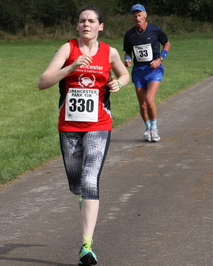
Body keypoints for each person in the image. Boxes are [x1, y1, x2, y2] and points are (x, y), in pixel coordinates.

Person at [38, 5, 129, 265]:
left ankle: (86, 246)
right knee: (76, 184)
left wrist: (117, 83)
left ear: (101, 26)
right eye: (82, 21)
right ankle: (83, 196)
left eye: (91, 21)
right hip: (68, 127)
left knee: (90, 181)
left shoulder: (109, 52)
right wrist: (71, 67)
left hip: (99, 124)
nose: (86, 24)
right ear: (77, 26)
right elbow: (43, 82)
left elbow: (124, 74)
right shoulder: (67, 49)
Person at [123, 4, 171, 142]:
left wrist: (160, 58)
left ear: (145, 15)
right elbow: (127, 52)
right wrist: (127, 59)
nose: (137, 18)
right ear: (132, 18)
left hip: (154, 69)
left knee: (149, 99)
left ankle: (154, 128)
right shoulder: (129, 34)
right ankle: (148, 128)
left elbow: (167, 44)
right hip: (138, 71)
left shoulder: (155, 30)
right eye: (135, 16)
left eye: (139, 15)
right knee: (142, 104)